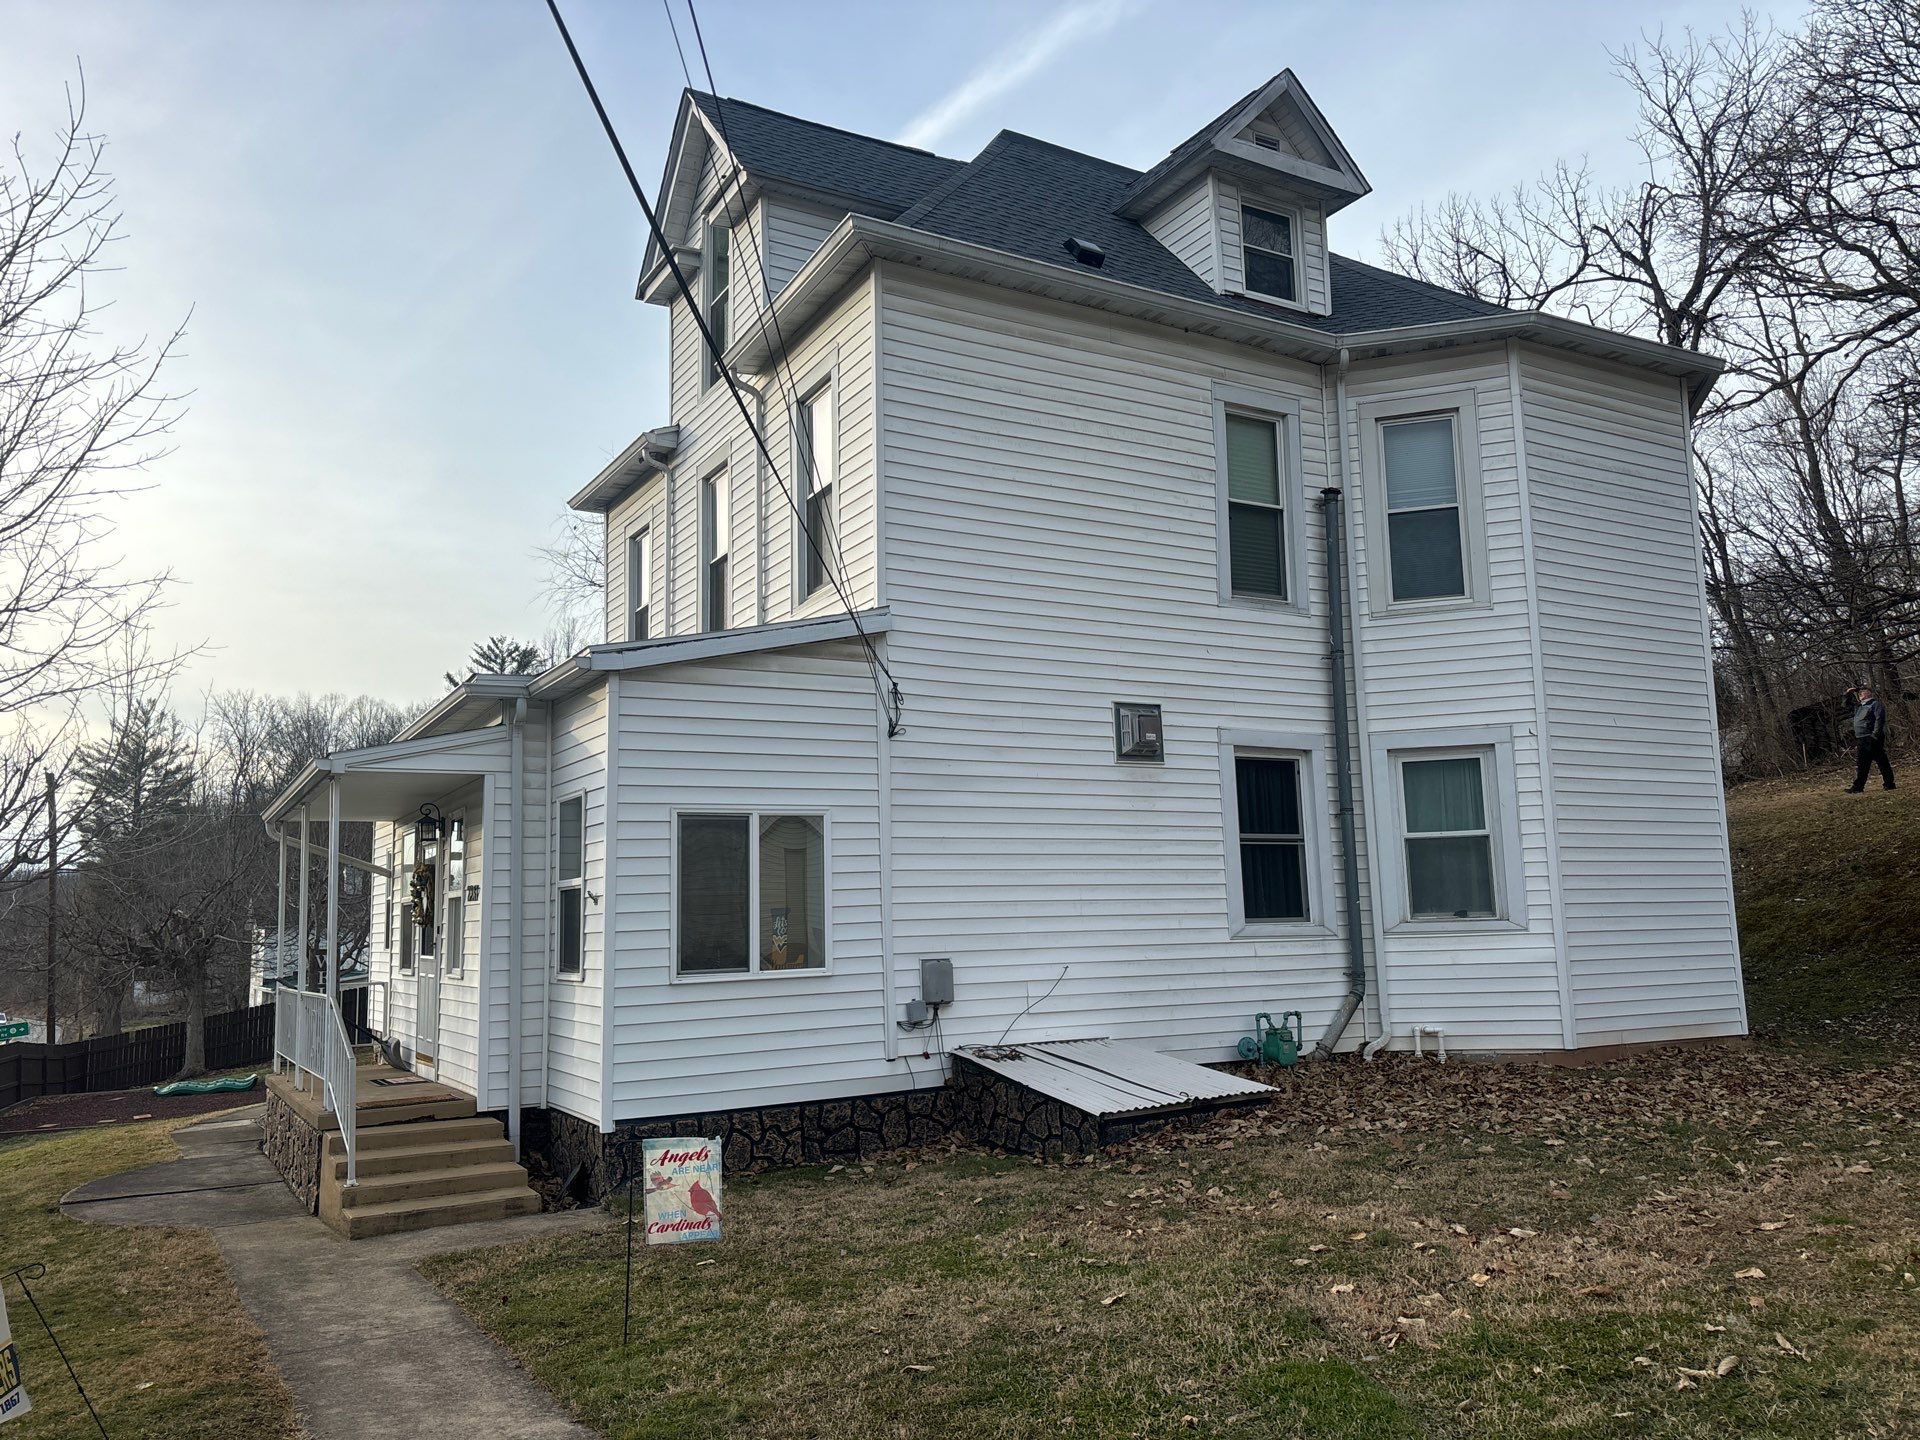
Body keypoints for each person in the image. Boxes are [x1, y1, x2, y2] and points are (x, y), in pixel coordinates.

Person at [1845, 683, 1896, 792]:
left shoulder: (1875, 704)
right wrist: (1848, 694)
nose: (1860, 694)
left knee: (1866, 762)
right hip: (1861, 738)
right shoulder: (1859, 706)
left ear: (1869, 693)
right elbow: (1845, 706)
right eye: (1859, 692)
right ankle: (1889, 783)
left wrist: (1874, 735)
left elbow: (1879, 719)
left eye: (1862, 692)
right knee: (1878, 760)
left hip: (1871, 737)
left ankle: (1859, 787)